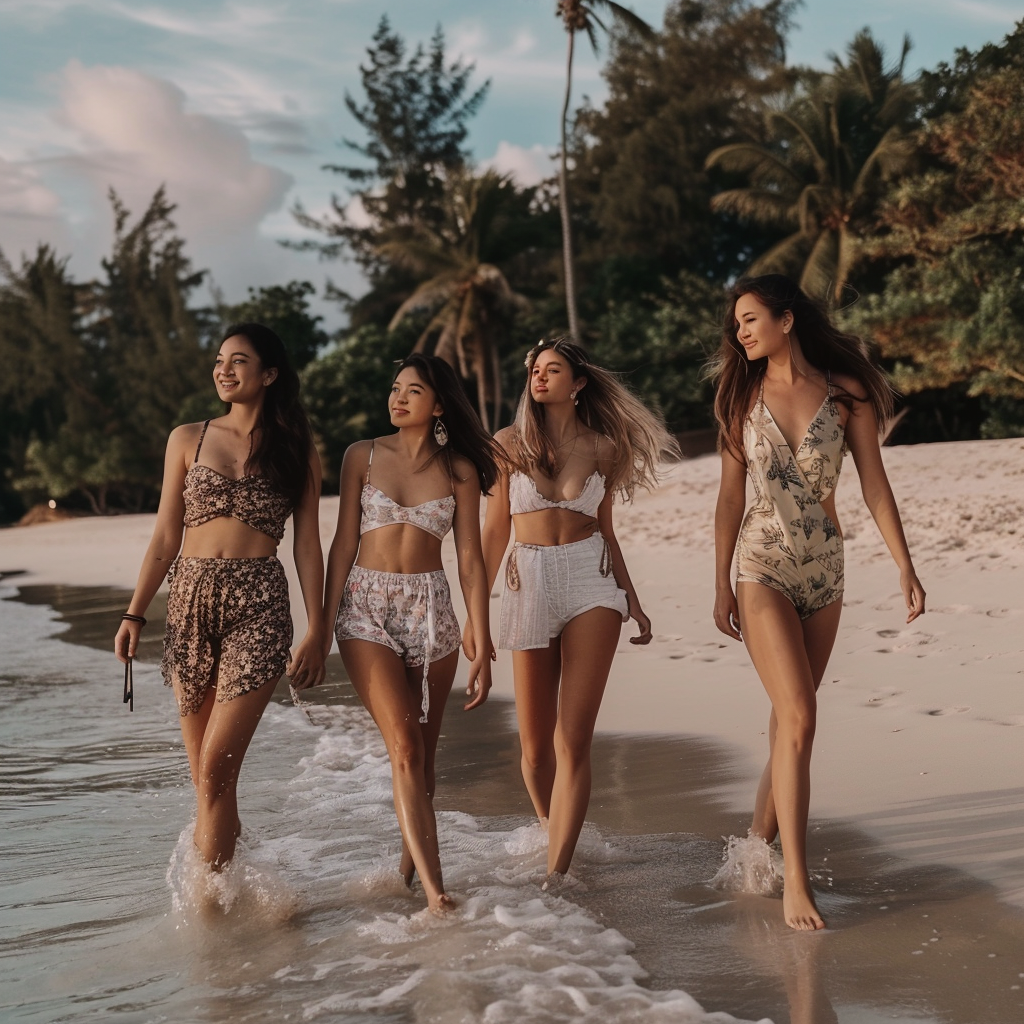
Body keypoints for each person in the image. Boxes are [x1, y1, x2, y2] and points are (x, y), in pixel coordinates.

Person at [711, 275, 926, 930]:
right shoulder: (740, 397)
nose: (741, 332)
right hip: (762, 566)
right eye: (738, 325)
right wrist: (719, 581)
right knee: (801, 717)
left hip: (825, 572)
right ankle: (795, 884)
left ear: (786, 319)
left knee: (787, 724)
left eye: (750, 319)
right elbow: (727, 498)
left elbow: (875, 486)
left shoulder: (847, 393)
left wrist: (904, 565)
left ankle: (757, 845)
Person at [114, 322, 326, 870]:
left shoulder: (297, 449)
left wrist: (318, 627)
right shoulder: (188, 438)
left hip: (258, 603)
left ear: (270, 374)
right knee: (206, 780)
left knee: (215, 770)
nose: (223, 370)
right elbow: (165, 535)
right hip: (189, 603)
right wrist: (135, 612)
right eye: (218, 361)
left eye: (238, 361)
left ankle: (211, 903)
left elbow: (308, 546)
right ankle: (225, 901)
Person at [482, 337, 677, 881]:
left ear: (579, 382)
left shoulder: (605, 447)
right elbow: (495, 531)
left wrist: (632, 600)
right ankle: (553, 829)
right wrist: (475, 612)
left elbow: (607, 530)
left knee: (573, 739)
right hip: (528, 582)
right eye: (535, 371)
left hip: (591, 581)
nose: (539, 378)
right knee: (536, 750)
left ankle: (556, 875)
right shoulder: (507, 444)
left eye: (553, 370)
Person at [323, 353, 500, 914]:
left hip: (432, 614)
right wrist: (321, 626)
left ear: (440, 404)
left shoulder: (460, 471)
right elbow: (342, 544)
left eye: (413, 391)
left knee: (421, 755)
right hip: (364, 608)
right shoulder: (361, 456)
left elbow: (470, 557)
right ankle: (435, 891)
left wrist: (480, 631)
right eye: (395, 388)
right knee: (402, 744)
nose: (397, 398)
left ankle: (406, 873)